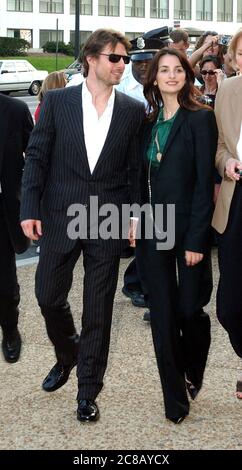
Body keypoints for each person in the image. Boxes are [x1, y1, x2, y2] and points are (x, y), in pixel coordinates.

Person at [20, 28, 144, 422]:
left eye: (124, 59)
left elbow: (135, 172)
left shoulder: (131, 110)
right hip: (59, 213)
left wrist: (136, 216)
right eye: (115, 57)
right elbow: (36, 158)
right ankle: (67, 352)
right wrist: (29, 209)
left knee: (99, 310)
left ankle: (88, 391)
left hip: (107, 217)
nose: (121, 65)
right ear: (91, 58)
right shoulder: (57, 102)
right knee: (47, 295)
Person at [137, 48, 218, 423]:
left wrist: (197, 240)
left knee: (190, 310)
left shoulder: (200, 120)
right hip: (154, 228)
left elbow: (205, 183)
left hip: (187, 229)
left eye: (178, 70)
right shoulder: (148, 122)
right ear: (153, 78)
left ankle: (194, 368)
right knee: (164, 316)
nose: (171, 76)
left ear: (187, 76)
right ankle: (175, 402)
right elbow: (139, 180)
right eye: (164, 70)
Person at [117, 29, 170, 311]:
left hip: (161, 173)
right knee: (141, 234)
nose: (141, 67)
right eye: (137, 62)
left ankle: (148, 289)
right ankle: (141, 284)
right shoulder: (122, 89)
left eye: (147, 62)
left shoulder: (171, 84)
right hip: (132, 173)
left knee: (158, 235)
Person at [212, 28, 242, 399]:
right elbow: (219, 145)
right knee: (231, 306)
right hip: (237, 201)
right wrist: (227, 163)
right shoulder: (228, 90)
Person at [0, 94, 33, 362]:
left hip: (3, 212)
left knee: (4, 283)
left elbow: (35, 158)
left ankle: (10, 330)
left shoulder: (15, 110)